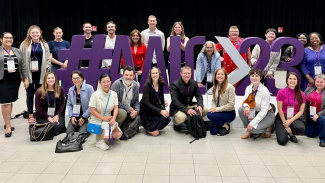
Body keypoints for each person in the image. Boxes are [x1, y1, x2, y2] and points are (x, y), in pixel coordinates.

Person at [19, 25, 51, 123]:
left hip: (41, 74)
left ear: (40, 33)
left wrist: (47, 73)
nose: (35, 34)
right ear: (30, 34)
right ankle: (30, 114)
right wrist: (22, 75)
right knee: (29, 94)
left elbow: (48, 60)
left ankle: (39, 113)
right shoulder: (24, 44)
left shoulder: (45, 45)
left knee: (40, 94)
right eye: (33, 33)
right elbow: (20, 60)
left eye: (37, 32)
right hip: (29, 73)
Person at [0, 32, 29, 137]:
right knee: (6, 102)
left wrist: (26, 78)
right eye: (6, 38)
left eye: (11, 38)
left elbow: (23, 66)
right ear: (1, 39)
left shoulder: (16, 50)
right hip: (2, 80)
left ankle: (7, 122)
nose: (9, 39)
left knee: (10, 100)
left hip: (15, 80)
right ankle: (8, 126)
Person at [89, 74, 122, 150]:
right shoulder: (95, 95)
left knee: (118, 134)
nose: (106, 84)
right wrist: (104, 118)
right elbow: (92, 111)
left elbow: (116, 108)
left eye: (108, 81)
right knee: (107, 126)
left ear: (111, 82)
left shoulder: (114, 94)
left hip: (108, 118)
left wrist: (113, 118)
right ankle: (100, 142)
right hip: (97, 119)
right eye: (104, 82)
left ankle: (104, 135)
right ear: (100, 83)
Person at [239, 68, 275, 139]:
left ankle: (268, 127)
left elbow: (264, 110)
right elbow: (244, 101)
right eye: (252, 75)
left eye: (256, 76)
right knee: (241, 109)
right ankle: (249, 129)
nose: (254, 78)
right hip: (254, 112)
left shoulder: (265, 91)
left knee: (254, 129)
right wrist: (246, 106)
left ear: (260, 77)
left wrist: (253, 123)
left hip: (267, 114)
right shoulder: (248, 88)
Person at [170, 65, 208, 131]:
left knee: (204, 110)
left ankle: (190, 121)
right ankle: (176, 123)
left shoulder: (194, 83)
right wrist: (187, 110)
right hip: (178, 107)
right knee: (181, 117)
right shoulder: (174, 85)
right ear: (181, 73)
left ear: (191, 73)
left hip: (189, 104)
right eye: (185, 73)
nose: (187, 75)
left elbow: (199, 96)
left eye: (189, 73)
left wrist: (200, 105)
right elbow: (175, 101)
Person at [275, 72, 306, 145]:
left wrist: (289, 122)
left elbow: (301, 111)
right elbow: (279, 109)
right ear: (287, 80)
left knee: (301, 129)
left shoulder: (302, 94)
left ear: (297, 81)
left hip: (294, 118)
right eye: (290, 79)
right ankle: (285, 131)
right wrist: (285, 123)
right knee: (282, 141)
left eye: (294, 79)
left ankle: (290, 132)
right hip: (282, 117)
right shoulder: (281, 92)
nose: (292, 80)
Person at [140, 67, 170, 136]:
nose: (155, 75)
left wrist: (164, 110)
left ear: (159, 74)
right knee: (156, 133)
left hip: (154, 110)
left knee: (166, 118)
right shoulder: (146, 86)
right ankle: (145, 125)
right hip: (146, 112)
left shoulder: (161, 84)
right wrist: (160, 111)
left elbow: (161, 98)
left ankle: (153, 124)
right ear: (150, 75)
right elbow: (147, 104)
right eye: (153, 73)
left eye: (156, 73)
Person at [207, 68, 236, 136]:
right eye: (218, 74)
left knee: (209, 114)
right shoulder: (215, 86)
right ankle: (224, 124)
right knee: (213, 131)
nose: (220, 76)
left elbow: (231, 104)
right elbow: (213, 100)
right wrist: (214, 108)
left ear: (225, 76)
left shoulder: (230, 87)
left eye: (222, 74)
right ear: (216, 76)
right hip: (218, 112)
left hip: (229, 113)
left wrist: (216, 109)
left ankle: (226, 125)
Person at [303, 74, 325, 147]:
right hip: (311, 116)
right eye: (317, 81)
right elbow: (304, 103)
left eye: (321, 82)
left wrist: (318, 114)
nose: (319, 83)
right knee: (309, 134)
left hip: (322, 115)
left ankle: (323, 139)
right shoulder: (309, 89)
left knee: (323, 119)